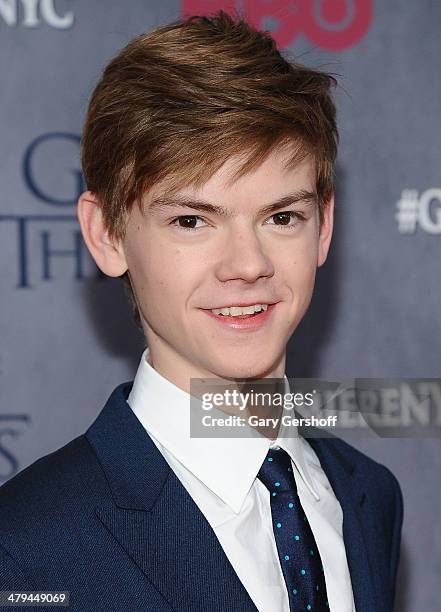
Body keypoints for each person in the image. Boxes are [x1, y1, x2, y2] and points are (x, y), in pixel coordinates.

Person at [0, 10, 402, 612]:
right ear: (107, 234)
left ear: (324, 226)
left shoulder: (368, 496)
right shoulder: (28, 544)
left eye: (281, 217)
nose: (246, 264)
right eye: (192, 221)